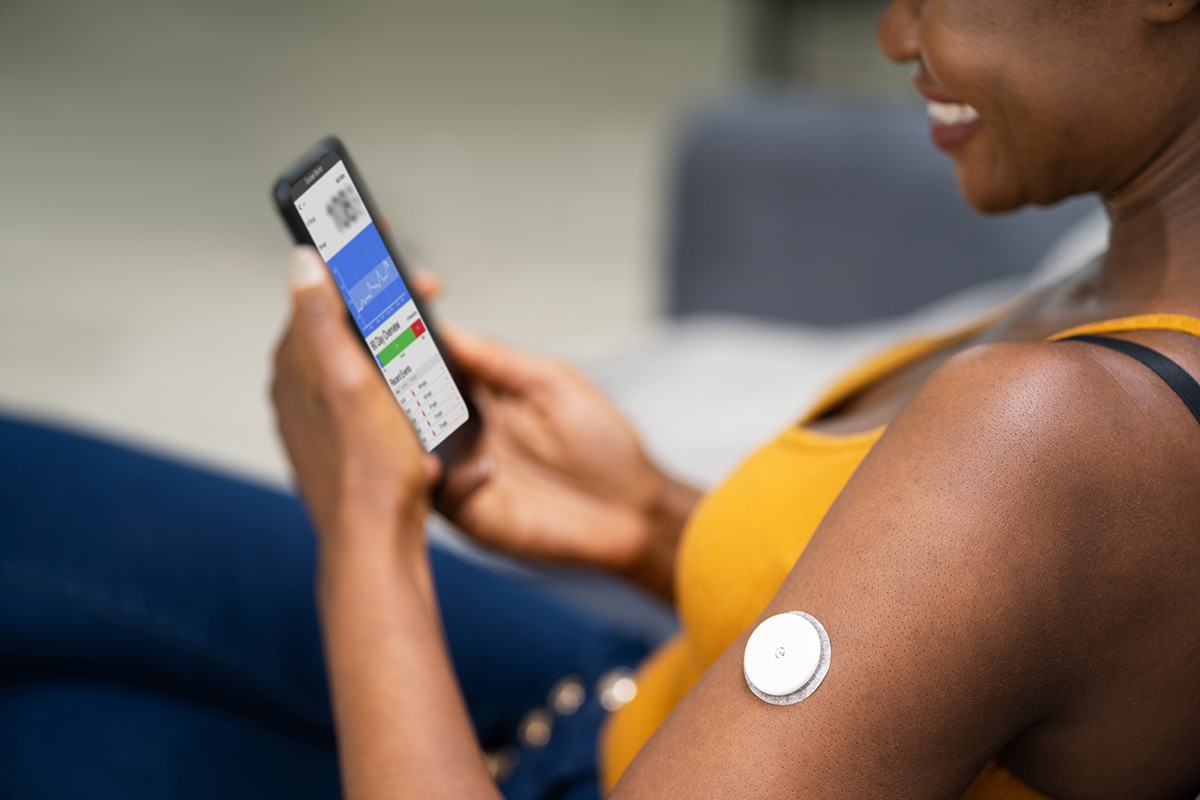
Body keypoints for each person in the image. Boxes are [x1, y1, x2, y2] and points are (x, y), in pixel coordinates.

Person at [5, 0, 1200, 797]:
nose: (894, 32)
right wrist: (645, 519)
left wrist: (365, 528)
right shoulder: (1115, 276)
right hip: (620, 685)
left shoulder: (1066, 433)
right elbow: (961, 627)